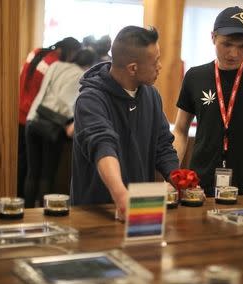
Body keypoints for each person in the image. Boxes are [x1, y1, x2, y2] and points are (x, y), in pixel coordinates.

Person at [172, 6, 243, 196]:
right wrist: (172, 172)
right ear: (213, 38)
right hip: (199, 185)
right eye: (226, 44)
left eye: (242, 46)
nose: (234, 53)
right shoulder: (195, 76)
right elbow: (180, 130)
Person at [71, 26, 179, 219]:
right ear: (132, 68)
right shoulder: (90, 99)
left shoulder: (152, 95)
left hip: (140, 210)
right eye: (156, 62)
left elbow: (162, 146)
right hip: (95, 212)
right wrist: (120, 195)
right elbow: (102, 145)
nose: (160, 66)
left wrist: (180, 180)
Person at [24, 49, 96, 208]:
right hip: (51, 127)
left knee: (32, 173)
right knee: (47, 175)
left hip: (32, 120)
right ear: (89, 65)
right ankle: (45, 214)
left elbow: (45, 92)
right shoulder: (81, 76)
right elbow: (71, 103)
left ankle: (28, 212)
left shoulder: (56, 65)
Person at [18, 37, 81, 198]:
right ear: (71, 51)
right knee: (45, 173)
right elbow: (55, 98)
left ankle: (26, 208)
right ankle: (40, 213)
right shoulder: (53, 63)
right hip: (42, 118)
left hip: (26, 114)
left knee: (29, 169)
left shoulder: (37, 52)